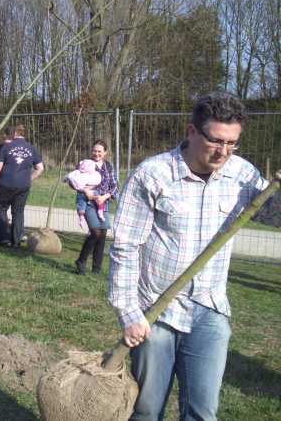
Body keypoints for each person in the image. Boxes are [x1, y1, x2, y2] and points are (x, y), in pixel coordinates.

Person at [109, 92, 268, 421]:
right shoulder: (153, 176)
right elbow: (125, 247)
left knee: (202, 412)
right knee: (147, 409)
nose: (223, 151)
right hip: (156, 314)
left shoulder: (243, 174)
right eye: (215, 140)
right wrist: (129, 313)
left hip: (210, 310)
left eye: (232, 143)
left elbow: (271, 210)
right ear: (192, 131)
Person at [0, 124, 44, 247]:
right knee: (18, 212)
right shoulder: (32, 148)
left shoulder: (6, 147)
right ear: (24, 134)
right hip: (23, 186)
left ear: (15, 134)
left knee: (2, 209)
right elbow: (40, 168)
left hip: (5, 183)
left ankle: (4, 239)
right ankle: (16, 241)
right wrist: (29, 178)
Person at [74, 140, 117, 275]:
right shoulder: (85, 164)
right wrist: (86, 191)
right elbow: (74, 181)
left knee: (103, 234)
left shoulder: (108, 166)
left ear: (105, 153)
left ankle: (96, 268)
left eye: (99, 151)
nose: (96, 153)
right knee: (95, 232)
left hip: (103, 204)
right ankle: (81, 261)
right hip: (87, 203)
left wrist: (105, 197)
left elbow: (114, 185)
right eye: (94, 150)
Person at [64, 158, 104, 229]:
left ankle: (82, 219)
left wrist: (65, 179)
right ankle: (100, 212)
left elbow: (69, 176)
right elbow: (98, 180)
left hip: (82, 193)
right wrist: (87, 189)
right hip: (88, 192)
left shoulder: (78, 172)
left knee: (81, 205)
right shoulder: (93, 173)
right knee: (98, 198)